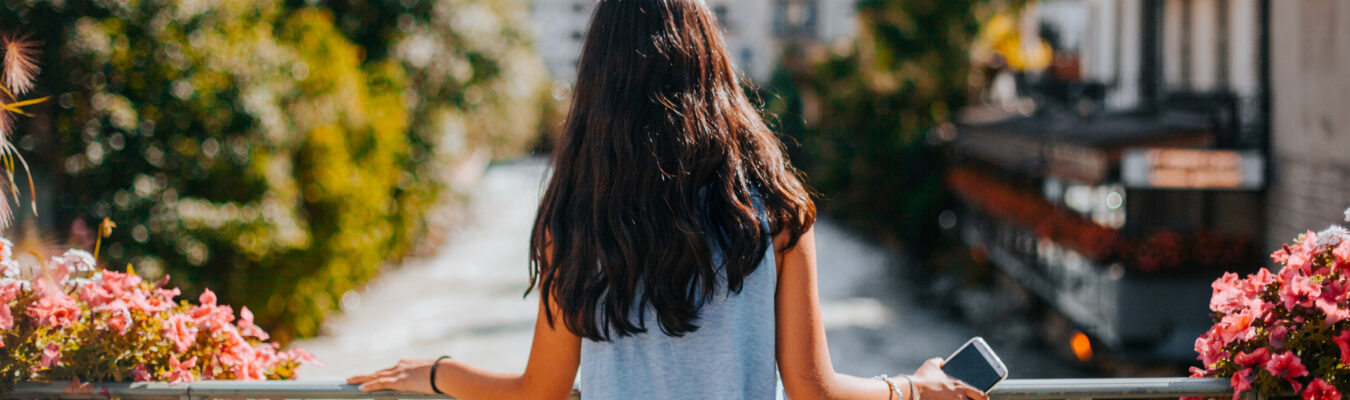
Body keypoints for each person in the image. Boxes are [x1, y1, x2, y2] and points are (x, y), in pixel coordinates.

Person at [348, 0, 991, 399]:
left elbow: (538, 391)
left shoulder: (575, 223)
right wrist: (912, 388)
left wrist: (435, 371)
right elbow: (812, 391)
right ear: (713, 69)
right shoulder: (776, 212)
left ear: (598, 88)